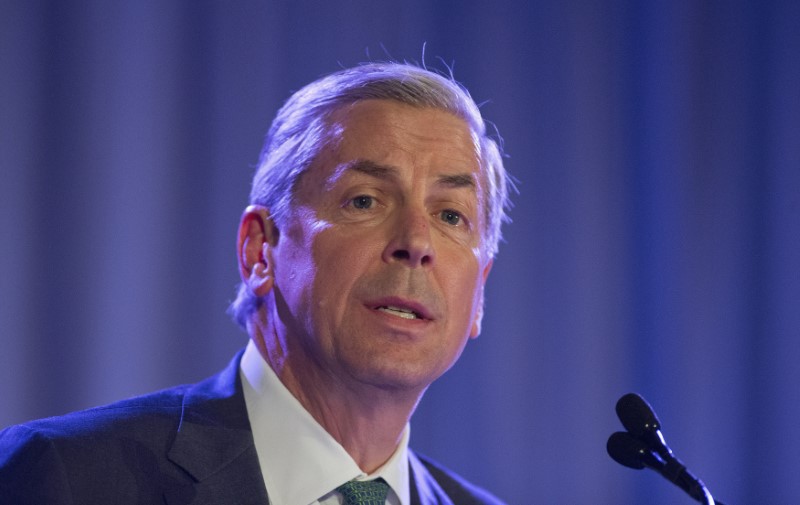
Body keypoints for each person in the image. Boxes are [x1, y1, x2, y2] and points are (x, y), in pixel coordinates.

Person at [0, 62, 512, 505]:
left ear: (480, 294)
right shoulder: (69, 477)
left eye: (450, 215)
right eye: (364, 200)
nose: (416, 242)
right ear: (259, 250)